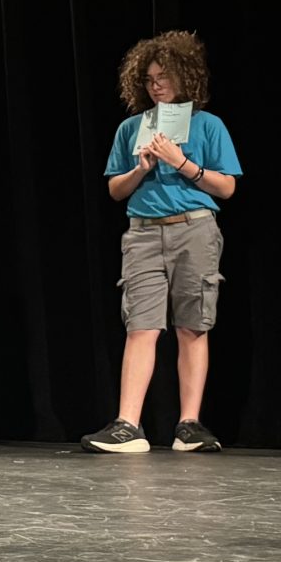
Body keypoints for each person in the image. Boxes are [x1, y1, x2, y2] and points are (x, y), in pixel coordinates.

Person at [82, 31, 242, 455]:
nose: (156, 85)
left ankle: (188, 425)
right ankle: (127, 425)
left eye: (164, 77)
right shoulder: (131, 128)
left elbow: (225, 187)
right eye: (150, 78)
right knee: (141, 325)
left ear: (185, 78)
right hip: (143, 231)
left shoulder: (208, 126)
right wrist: (143, 168)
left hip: (194, 227)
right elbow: (116, 190)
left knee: (193, 324)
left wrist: (182, 163)